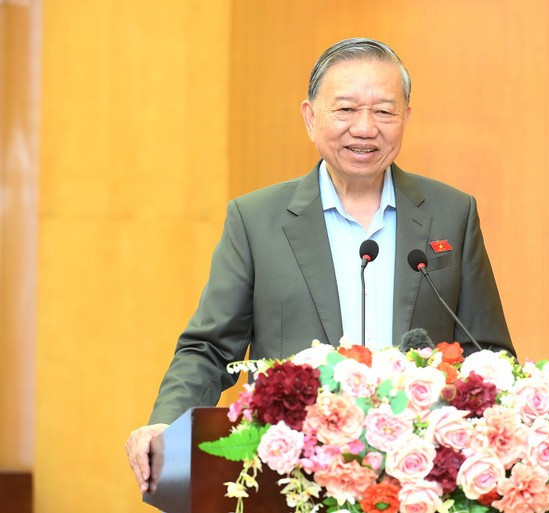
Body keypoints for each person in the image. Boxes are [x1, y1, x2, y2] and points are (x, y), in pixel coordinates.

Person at [125, 37, 514, 493]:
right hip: (293, 479)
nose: (365, 129)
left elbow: (488, 355)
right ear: (310, 117)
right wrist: (165, 425)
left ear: (406, 118)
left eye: (384, 112)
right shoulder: (256, 221)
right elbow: (209, 350)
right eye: (345, 110)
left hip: (419, 481)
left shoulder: (452, 213)